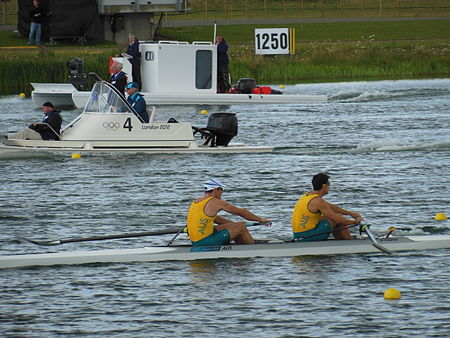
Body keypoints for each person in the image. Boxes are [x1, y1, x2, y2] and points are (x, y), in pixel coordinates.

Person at [187, 179, 271, 246]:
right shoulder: (215, 202)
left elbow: (217, 219)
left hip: (195, 241)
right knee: (241, 227)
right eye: (221, 189)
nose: (222, 192)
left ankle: (240, 242)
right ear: (216, 189)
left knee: (238, 226)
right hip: (206, 242)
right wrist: (260, 219)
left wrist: (234, 226)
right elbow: (240, 212)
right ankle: (252, 250)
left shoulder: (196, 202)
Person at [291, 173, 363, 241]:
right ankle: (349, 243)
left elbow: (330, 206)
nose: (329, 187)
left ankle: (341, 242)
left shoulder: (308, 195)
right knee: (338, 219)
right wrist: (355, 222)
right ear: (324, 186)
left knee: (334, 217)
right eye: (329, 184)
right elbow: (338, 220)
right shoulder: (318, 201)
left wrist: (351, 214)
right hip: (306, 236)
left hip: (298, 235)